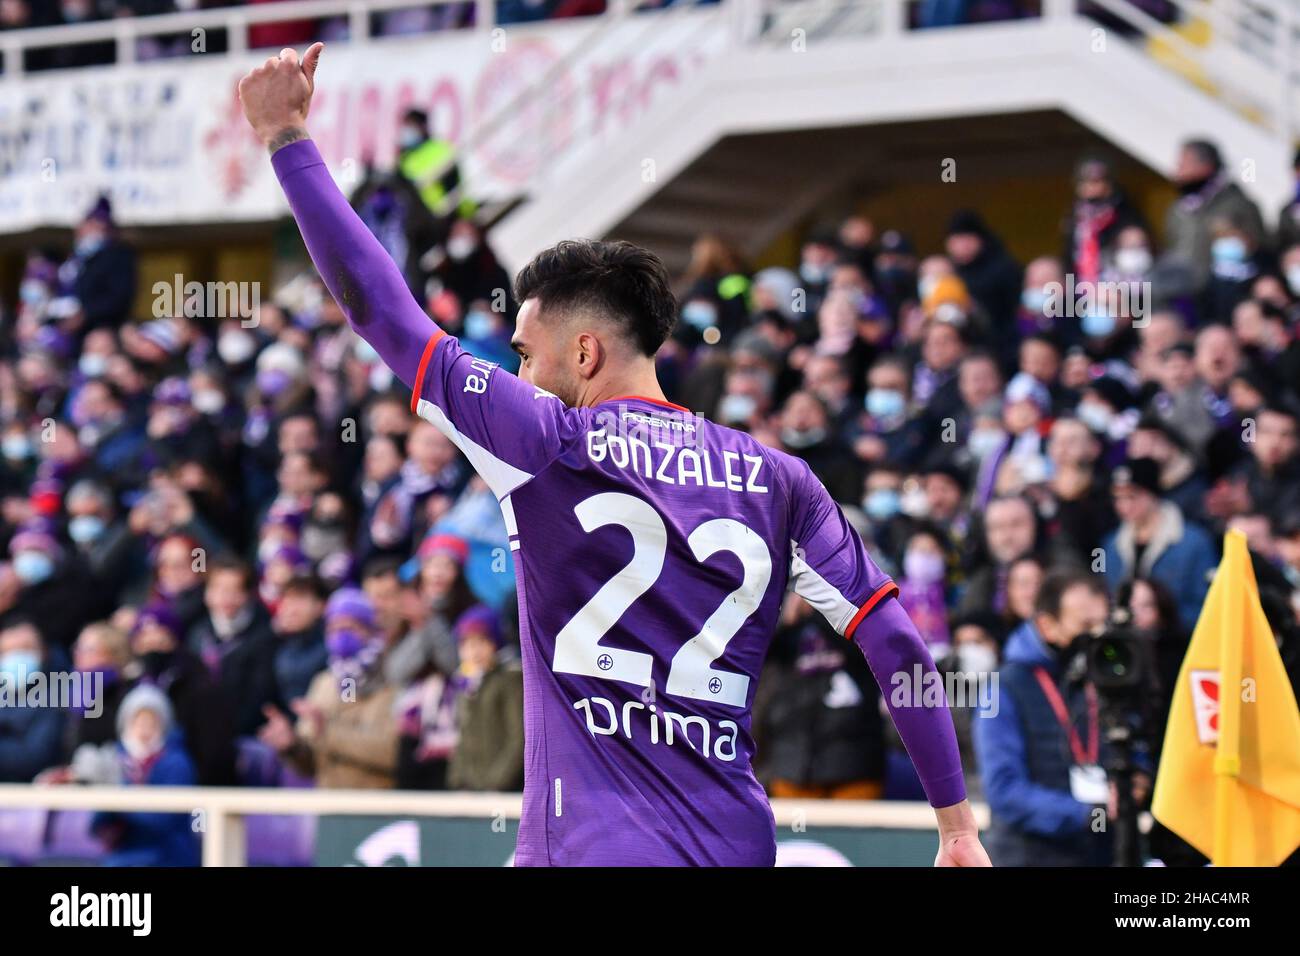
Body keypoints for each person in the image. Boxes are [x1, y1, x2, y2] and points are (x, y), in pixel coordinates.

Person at [237, 43, 987, 867]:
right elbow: (896, 643)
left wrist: (288, 141)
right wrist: (955, 826)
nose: (519, 371)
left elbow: (379, 308)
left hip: (588, 849)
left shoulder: (543, 442)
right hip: (736, 845)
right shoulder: (780, 479)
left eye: (526, 353)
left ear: (585, 353)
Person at [973, 569, 1114, 866]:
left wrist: (1135, 781)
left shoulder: (1106, 679)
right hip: (1028, 857)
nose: (1098, 639)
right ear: (1047, 625)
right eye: (1086, 626)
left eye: (1104, 625)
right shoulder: (1003, 687)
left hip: (1099, 854)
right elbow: (1004, 790)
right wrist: (1087, 812)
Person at [1100, 458, 1218, 631]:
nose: (1124, 505)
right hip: (1129, 644)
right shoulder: (1111, 544)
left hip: (1179, 643)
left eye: (1132, 496)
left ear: (1152, 494)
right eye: (1118, 498)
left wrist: (1163, 618)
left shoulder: (1194, 542)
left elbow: (1208, 604)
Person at [90, 684, 200, 867]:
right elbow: (97, 826)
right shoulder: (114, 760)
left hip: (169, 857)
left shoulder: (177, 763)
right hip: (122, 857)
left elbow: (165, 819)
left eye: (151, 722)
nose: (144, 730)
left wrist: (120, 801)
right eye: (138, 721)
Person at [446, 605, 525, 791]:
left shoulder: (510, 679)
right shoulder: (464, 682)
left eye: (481, 642)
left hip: (501, 791)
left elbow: (518, 739)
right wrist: (457, 781)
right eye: (466, 644)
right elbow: (463, 736)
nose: (473, 652)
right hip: (470, 791)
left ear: (495, 643)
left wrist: (496, 784)